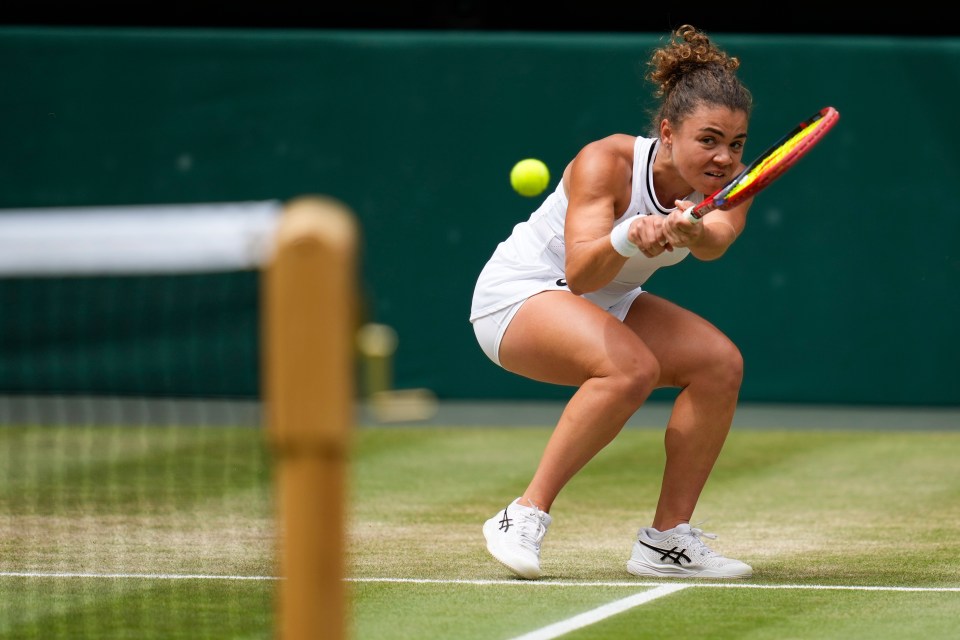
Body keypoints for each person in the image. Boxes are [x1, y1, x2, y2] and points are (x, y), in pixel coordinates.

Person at [469, 24, 755, 580]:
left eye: (736, 143)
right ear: (668, 133)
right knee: (631, 369)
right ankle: (522, 514)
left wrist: (693, 233)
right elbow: (579, 274)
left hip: (611, 303)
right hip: (518, 296)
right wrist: (630, 236)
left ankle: (667, 543)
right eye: (709, 139)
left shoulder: (730, 184)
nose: (724, 157)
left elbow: (716, 241)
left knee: (719, 365)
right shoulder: (607, 162)